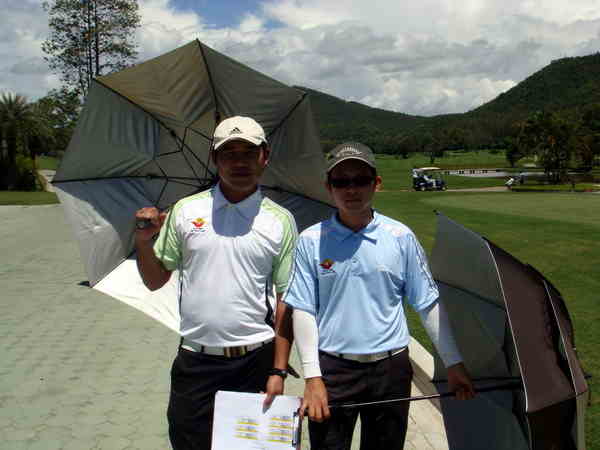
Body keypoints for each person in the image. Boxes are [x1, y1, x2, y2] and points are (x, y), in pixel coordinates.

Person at [284, 142, 475, 450]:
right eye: (341, 181)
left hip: (391, 370)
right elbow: (303, 310)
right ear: (328, 187)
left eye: (361, 180)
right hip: (334, 369)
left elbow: (426, 303)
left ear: (377, 183)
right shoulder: (310, 240)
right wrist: (312, 377)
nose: (351, 189)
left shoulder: (401, 237)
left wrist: (453, 362)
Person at [134, 116, 297, 450]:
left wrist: (279, 371)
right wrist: (143, 241)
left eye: (248, 153)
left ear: (264, 157)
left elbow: (286, 300)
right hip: (196, 358)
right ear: (214, 158)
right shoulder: (184, 211)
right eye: (228, 153)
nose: (239, 162)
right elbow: (154, 280)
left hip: (255, 360)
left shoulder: (280, 220)